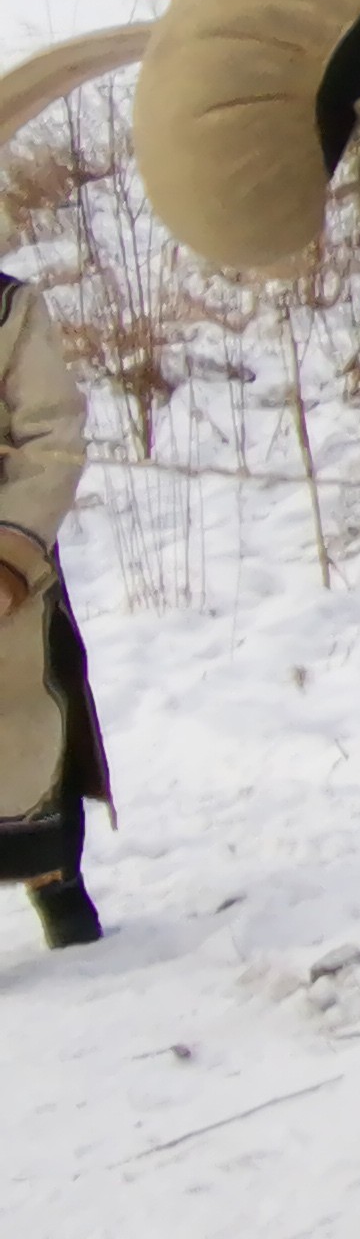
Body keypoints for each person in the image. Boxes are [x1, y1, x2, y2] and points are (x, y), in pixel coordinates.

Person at [0, 260, 101, 949]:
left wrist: (9, 557)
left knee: (23, 725)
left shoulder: (9, 310)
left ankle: (58, 894)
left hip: (7, 560)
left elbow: (52, 437)